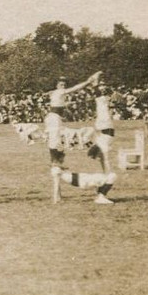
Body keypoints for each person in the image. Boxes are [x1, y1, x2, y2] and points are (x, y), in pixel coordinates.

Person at [45, 73, 100, 201]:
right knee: (57, 151)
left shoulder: (57, 94)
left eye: (64, 84)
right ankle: (56, 192)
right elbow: (74, 89)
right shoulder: (59, 92)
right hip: (54, 120)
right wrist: (88, 82)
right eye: (61, 84)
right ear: (57, 85)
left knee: (57, 152)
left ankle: (57, 193)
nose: (63, 86)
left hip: (55, 119)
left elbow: (64, 101)